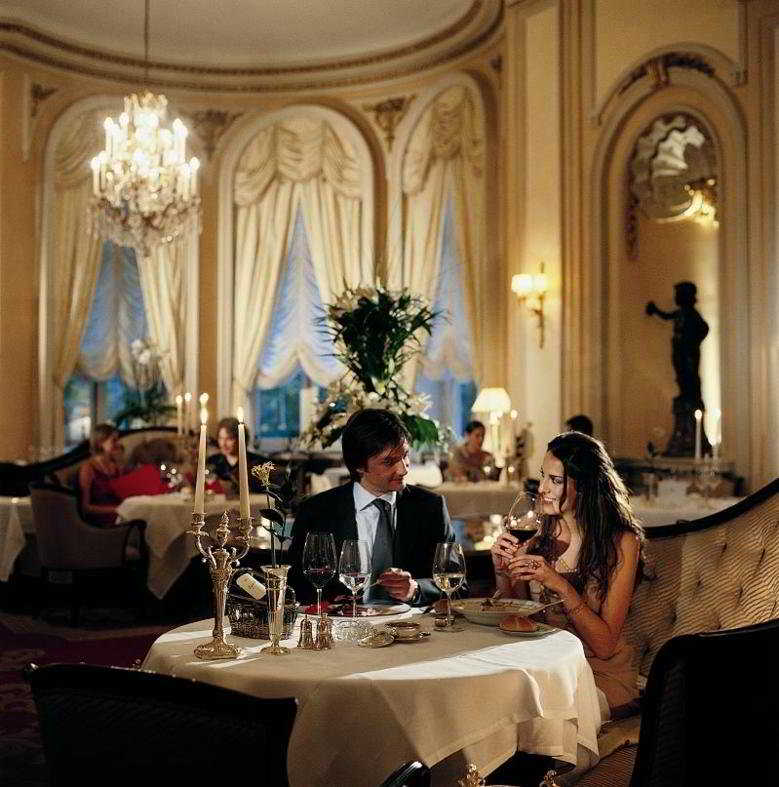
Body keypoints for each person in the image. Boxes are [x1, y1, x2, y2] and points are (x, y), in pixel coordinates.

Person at [491, 431, 645, 719]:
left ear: (584, 486)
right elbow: (520, 617)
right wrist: (503, 571)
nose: (543, 488)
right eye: (543, 476)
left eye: (556, 480)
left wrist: (559, 584)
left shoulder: (621, 542)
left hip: (597, 672)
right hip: (542, 666)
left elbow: (604, 645)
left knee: (536, 712)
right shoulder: (536, 530)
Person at [288, 408, 460, 606]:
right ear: (359, 466)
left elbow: (458, 587)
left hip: (412, 624)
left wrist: (415, 589)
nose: (403, 469)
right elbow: (296, 587)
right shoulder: (316, 511)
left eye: (405, 455)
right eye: (388, 462)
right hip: (343, 623)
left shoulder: (430, 508)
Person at [77, 423, 126, 527]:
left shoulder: (116, 466)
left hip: (119, 516)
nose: (118, 443)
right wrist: (116, 509)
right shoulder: (88, 468)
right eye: (114, 440)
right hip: (100, 523)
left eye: (118, 439)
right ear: (100, 443)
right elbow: (85, 507)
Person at [206, 417, 269, 494]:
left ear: (241, 438)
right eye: (221, 438)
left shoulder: (257, 462)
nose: (223, 444)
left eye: (229, 439)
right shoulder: (212, 461)